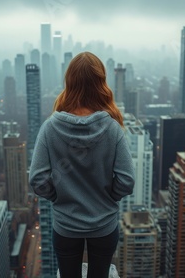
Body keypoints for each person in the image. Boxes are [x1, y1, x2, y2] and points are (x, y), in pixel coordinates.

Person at [29, 51, 135, 278]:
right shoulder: (112, 128)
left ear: (70, 82)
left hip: (66, 226)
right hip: (104, 226)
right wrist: (106, 198)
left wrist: (60, 197)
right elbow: (127, 180)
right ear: (101, 83)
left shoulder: (50, 128)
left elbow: (37, 179)